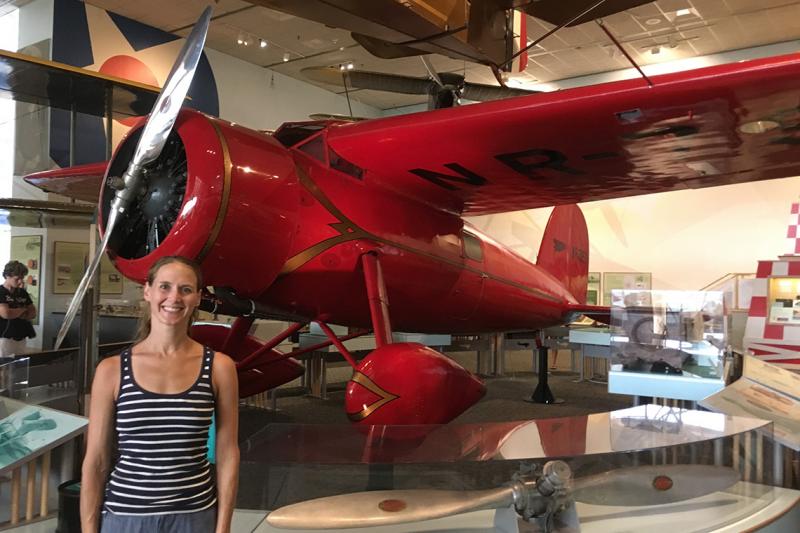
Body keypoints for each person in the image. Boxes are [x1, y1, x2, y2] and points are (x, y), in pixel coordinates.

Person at [81, 256, 239, 533]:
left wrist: (223, 526)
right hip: (126, 518)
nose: (174, 297)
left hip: (194, 516)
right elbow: (96, 460)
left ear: (198, 297)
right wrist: (89, 528)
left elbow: (228, 453)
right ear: (148, 291)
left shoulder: (219, 368)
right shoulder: (112, 370)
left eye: (186, 289)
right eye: (164, 287)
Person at [0, 260, 36, 356]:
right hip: (4, 337)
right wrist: (23, 309)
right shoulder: (1, 292)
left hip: (21, 335)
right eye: (17, 278)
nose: (20, 281)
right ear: (7, 276)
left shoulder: (22, 292)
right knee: (4, 366)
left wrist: (15, 311)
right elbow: (6, 314)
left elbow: (33, 312)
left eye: (22, 278)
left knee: (20, 367)